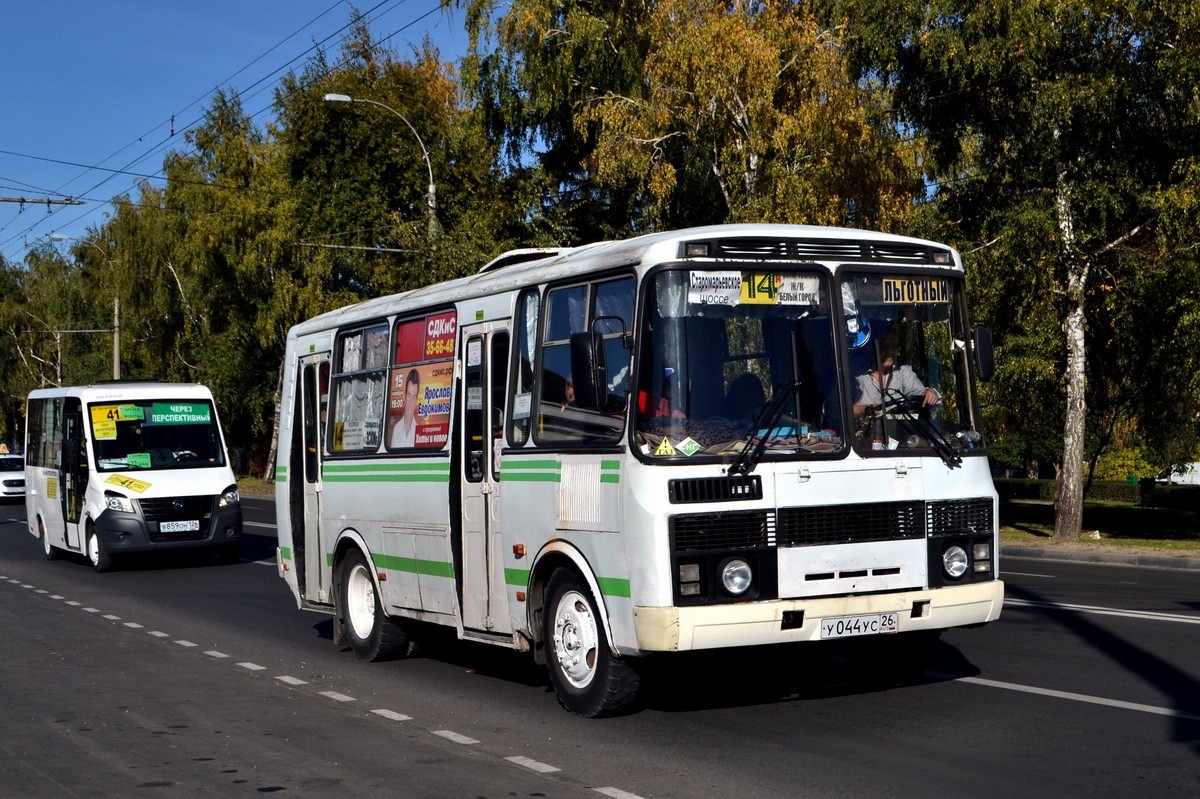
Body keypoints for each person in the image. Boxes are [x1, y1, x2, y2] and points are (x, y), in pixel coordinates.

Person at [852, 329, 938, 417]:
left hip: (898, 429)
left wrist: (928, 392)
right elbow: (839, 410)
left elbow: (917, 391)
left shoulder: (902, 371)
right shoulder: (856, 376)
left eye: (894, 346)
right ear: (870, 349)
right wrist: (859, 410)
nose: (890, 351)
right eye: (884, 347)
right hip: (864, 430)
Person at [390, 368, 420, 448]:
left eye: (414, 397)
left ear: (416, 400)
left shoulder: (419, 431)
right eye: (409, 396)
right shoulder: (396, 429)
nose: (410, 403)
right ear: (405, 396)